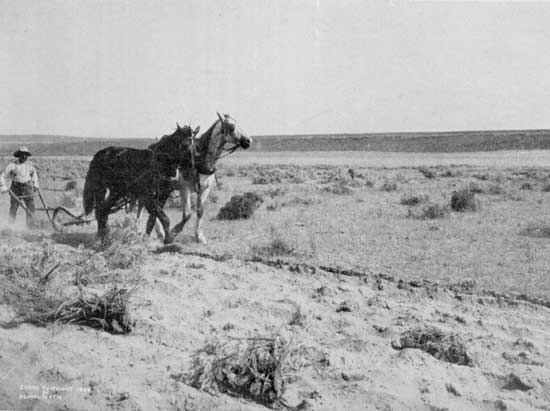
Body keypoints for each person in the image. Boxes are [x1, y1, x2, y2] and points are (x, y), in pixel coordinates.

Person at [0, 146, 40, 227]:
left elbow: (34, 175)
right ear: (19, 155)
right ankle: (10, 226)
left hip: (28, 187)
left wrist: (36, 184)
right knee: (14, 207)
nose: (24, 156)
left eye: (25, 154)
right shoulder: (12, 165)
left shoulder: (30, 165)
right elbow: (3, 175)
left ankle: (30, 226)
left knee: (31, 206)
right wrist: (3, 187)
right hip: (16, 188)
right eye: (22, 154)